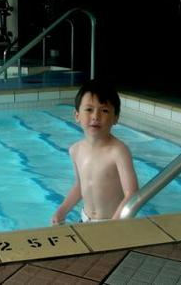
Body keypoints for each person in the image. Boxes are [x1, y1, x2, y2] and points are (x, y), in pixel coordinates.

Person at [51, 79, 139, 224]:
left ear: (115, 117)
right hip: (84, 219)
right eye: (89, 109)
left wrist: (113, 225)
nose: (95, 117)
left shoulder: (118, 151)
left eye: (104, 110)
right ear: (77, 115)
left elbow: (132, 194)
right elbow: (80, 186)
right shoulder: (76, 150)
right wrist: (62, 210)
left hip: (110, 222)